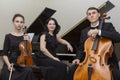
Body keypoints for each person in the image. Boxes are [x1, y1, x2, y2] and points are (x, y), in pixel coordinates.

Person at [67, 7, 120, 80]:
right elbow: (81, 47)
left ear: (98, 14)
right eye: (89, 14)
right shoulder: (84, 31)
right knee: (72, 70)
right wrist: (78, 58)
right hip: (88, 61)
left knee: (117, 75)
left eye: (94, 13)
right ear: (87, 17)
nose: (91, 15)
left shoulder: (108, 26)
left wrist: (99, 32)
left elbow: (118, 37)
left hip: (106, 62)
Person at [0, 13, 34, 80]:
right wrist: (8, 64)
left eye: (21, 22)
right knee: (6, 75)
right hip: (10, 62)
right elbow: (4, 54)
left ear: (23, 24)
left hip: (22, 63)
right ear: (13, 22)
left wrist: (28, 41)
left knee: (29, 71)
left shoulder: (25, 36)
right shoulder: (8, 36)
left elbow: (29, 53)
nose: (19, 24)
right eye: (17, 21)